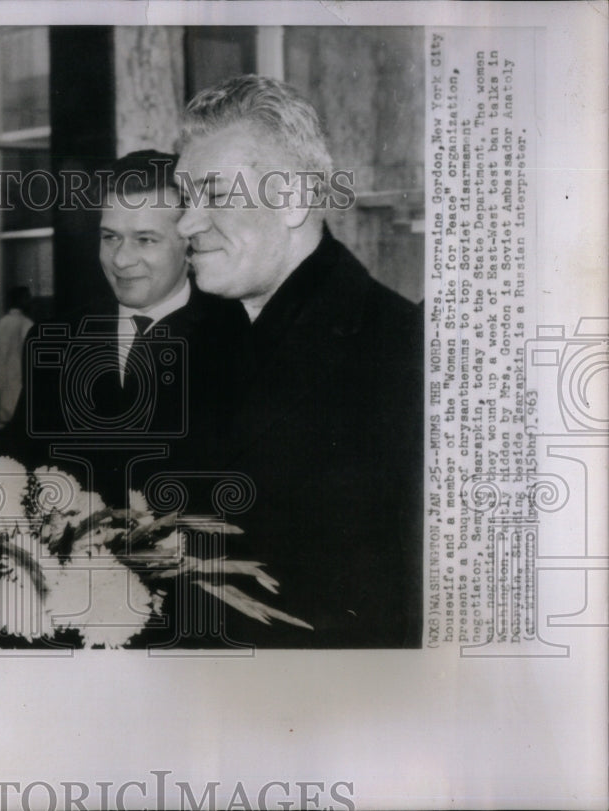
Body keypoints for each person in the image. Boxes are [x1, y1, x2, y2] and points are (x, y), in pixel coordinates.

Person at [174, 75, 423, 648]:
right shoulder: (197, 340)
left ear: (291, 200)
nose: (186, 224)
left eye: (213, 194)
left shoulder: (404, 355)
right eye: (186, 199)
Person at [0, 150, 237, 506]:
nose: (121, 260)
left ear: (190, 243)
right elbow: (20, 460)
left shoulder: (240, 339)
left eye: (145, 240)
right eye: (110, 237)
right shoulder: (56, 340)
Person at [0, 286, 34, 425]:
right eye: (27, 297)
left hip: (4, 377)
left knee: (7, 417)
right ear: (21, 300)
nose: (31, 300)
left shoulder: (2, 322)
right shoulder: (26, 323)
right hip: (20, 377)